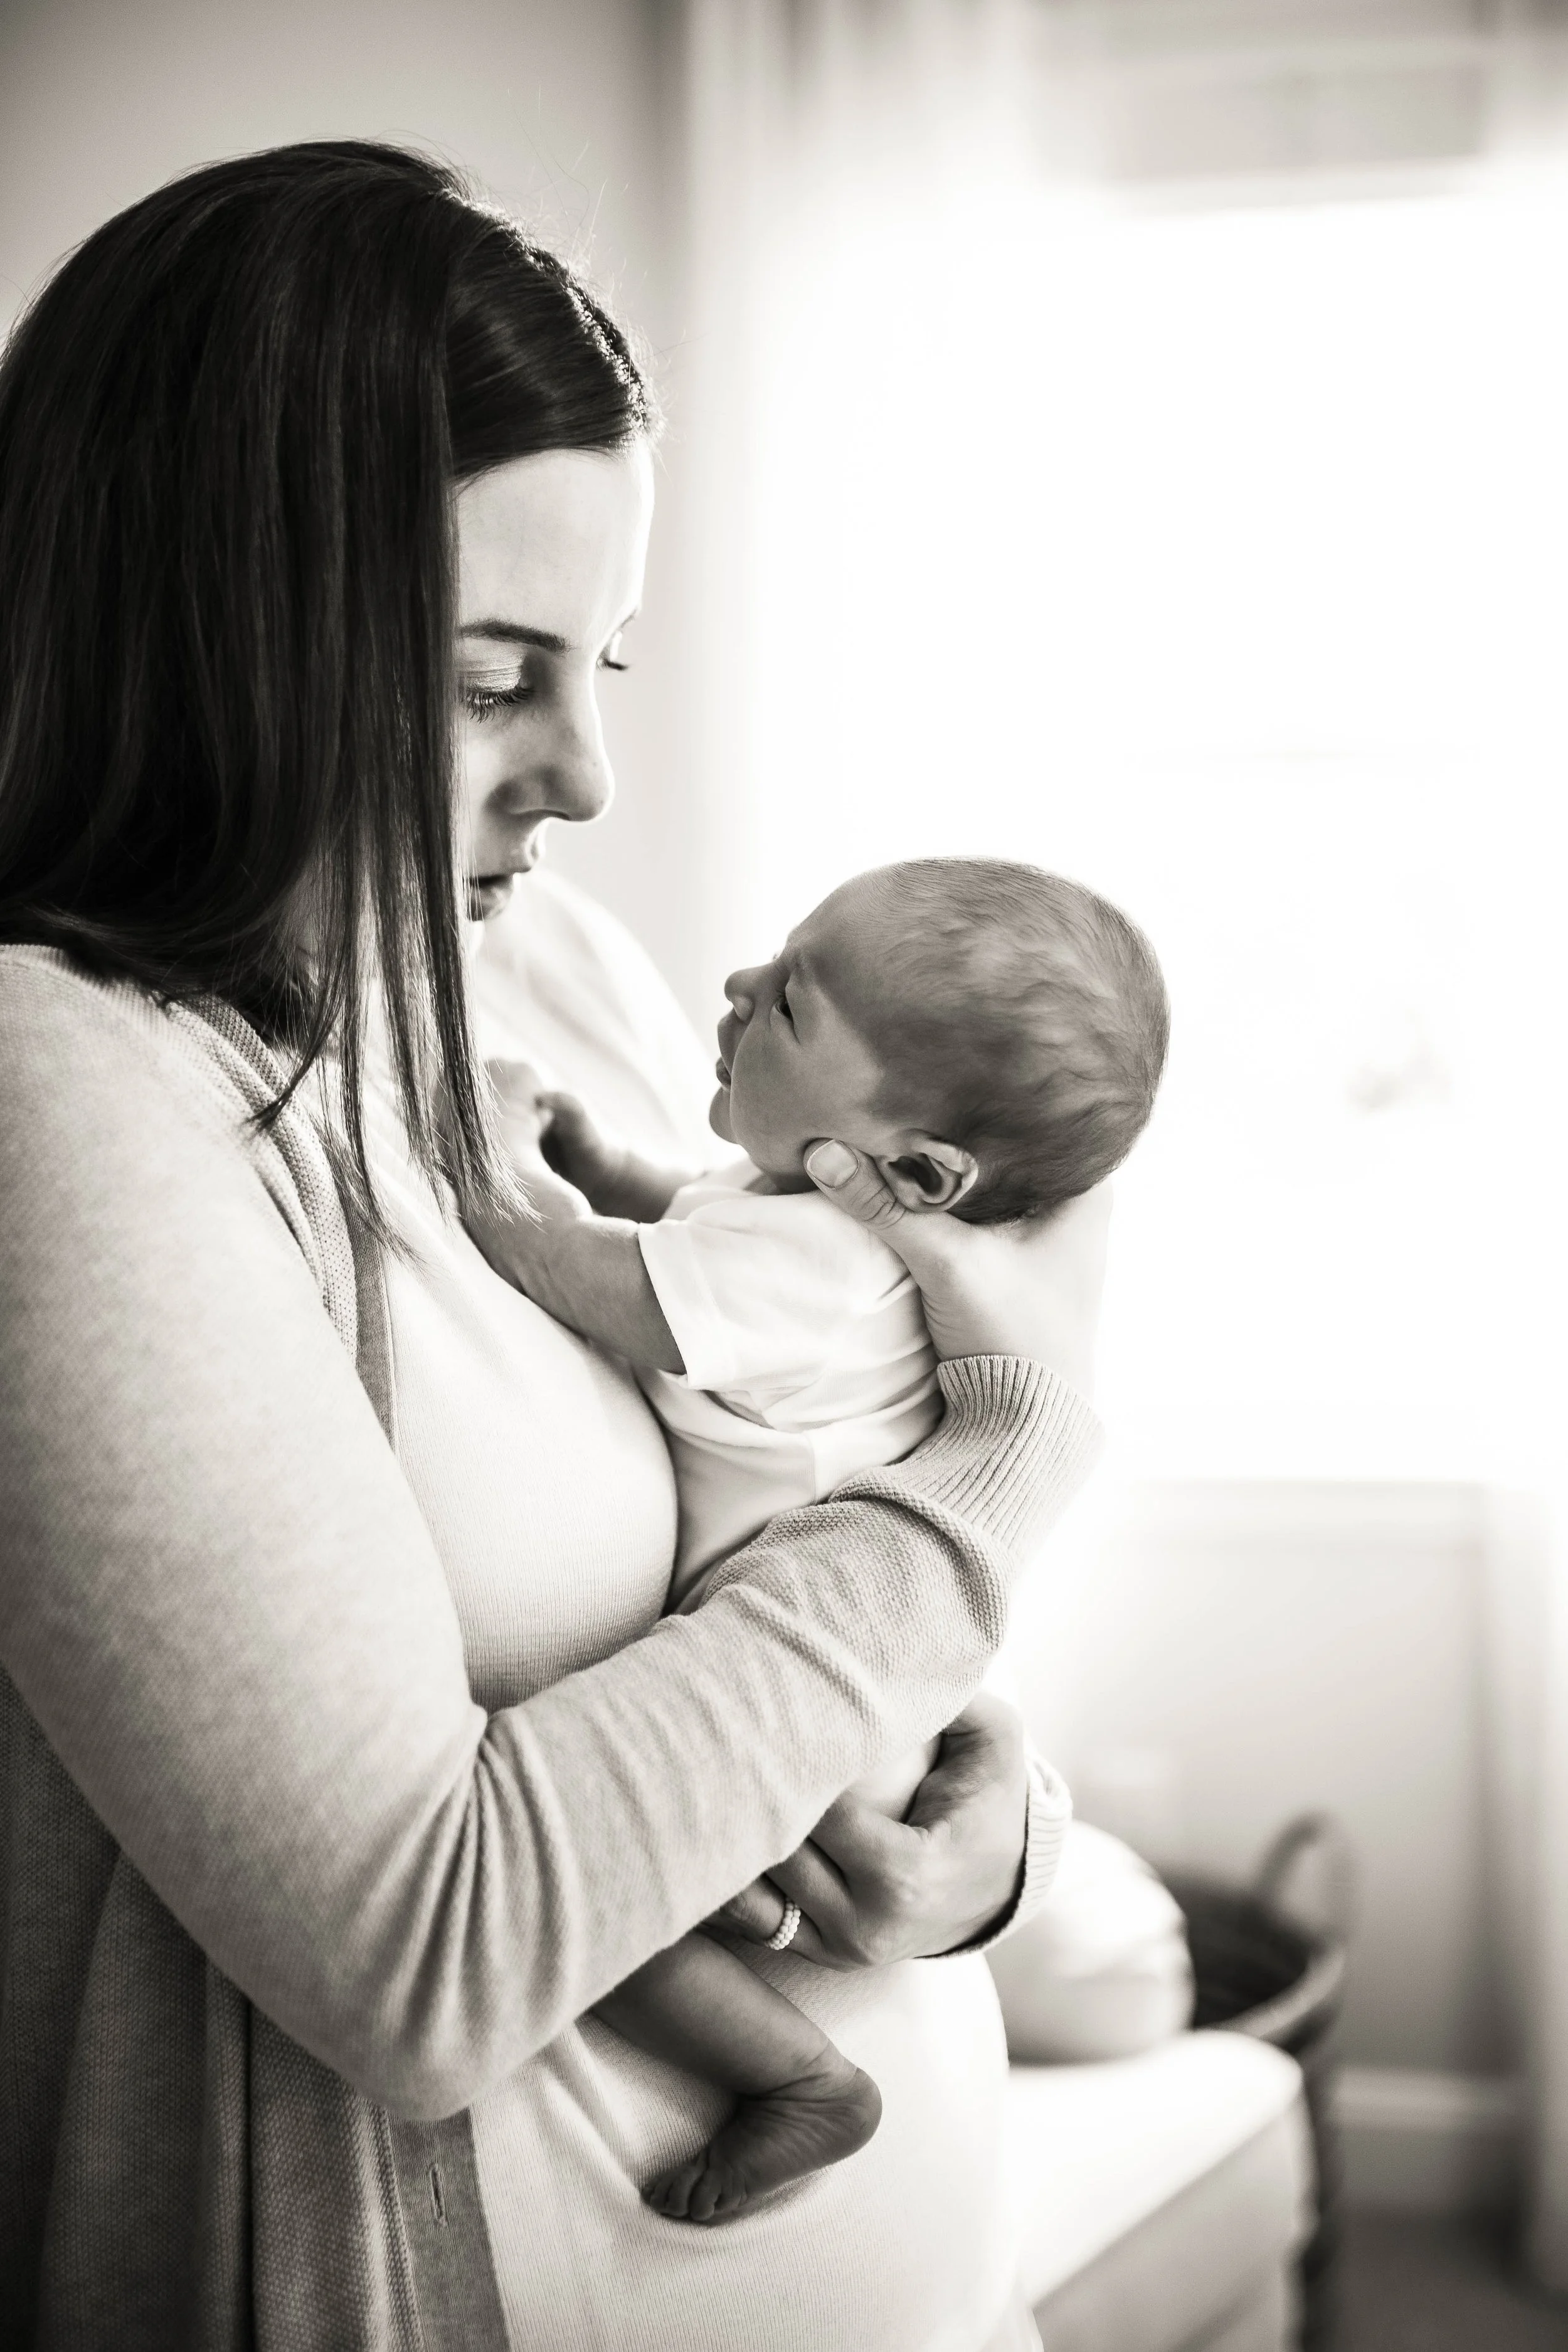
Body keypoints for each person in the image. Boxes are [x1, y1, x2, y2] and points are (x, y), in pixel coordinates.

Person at [0, 144, 1108, 2351]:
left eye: (597, 659)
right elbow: (429, 1947)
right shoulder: (64, 1093)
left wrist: (1000, 1852)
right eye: (496, 672)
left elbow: (777, 1502)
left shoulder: (554, 979)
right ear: (224, 625)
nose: (588, 769)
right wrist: (984, 1497)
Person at [469, 857, 1165, 2224]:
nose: (734, 990)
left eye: (789, 1003)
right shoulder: (813, 1220)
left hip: (824, 1711)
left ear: (907, 1169)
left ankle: (796, 2077)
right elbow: (702, 1220)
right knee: (567, 1897)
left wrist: (501, 1197)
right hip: (849, 1674)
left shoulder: (831, 1266)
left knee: (595, 1910)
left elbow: (639, 1292)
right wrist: (612, 1166)